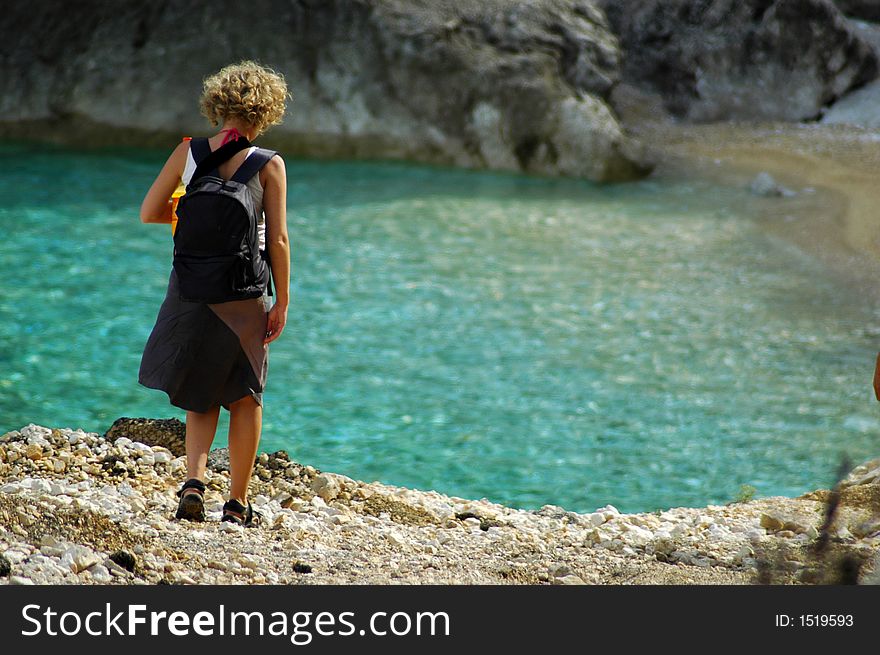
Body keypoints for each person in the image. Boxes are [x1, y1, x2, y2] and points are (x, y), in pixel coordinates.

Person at [137, 60, 291, 526]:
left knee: (198, 389)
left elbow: (150, 212)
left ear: (216, 105)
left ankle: (193, 483)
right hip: (243, 293)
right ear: (266, 111)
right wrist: (282, 301)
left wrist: (189, 219)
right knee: (245, 394)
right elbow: (278, 240)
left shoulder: (188, 152)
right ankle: (237, 503)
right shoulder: (268, 164)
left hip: (189, 286)